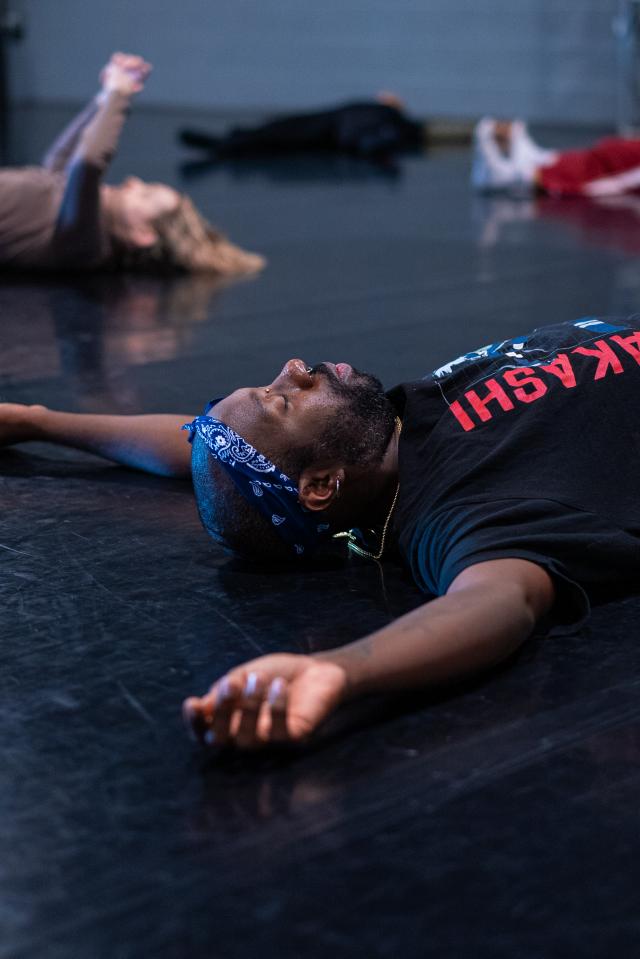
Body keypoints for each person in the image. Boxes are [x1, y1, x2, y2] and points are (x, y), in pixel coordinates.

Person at [2, 316, 639, 750]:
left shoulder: (391, 433)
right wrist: (340, 671)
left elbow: (207, 445)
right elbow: (497, 602)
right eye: (284, 398)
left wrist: (38, 421)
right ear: (322, 486)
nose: (292, 368)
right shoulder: (458, 517)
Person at [0, 52, 265, 274]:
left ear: (142, 234)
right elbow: (59, 161)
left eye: (145, 194)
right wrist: (103, 98)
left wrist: (120, 94)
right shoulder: (68, 205)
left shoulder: (88, 245)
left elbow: (88, 162)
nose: (132, 182)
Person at [179, 93, 473, 161]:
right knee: (274, 132)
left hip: (326, 128)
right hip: (326, 123)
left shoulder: (389, 119)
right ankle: (230, 141)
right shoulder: (383, 114)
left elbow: (364, 140)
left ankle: (227, 144)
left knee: (275, 137)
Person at [471, 116, 640, 197]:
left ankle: (508, 174)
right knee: (563, 161)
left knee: (568, 168)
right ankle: (523, 159)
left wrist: (580, 188)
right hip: (596, 160)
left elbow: (621, 182)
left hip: (594, 170)